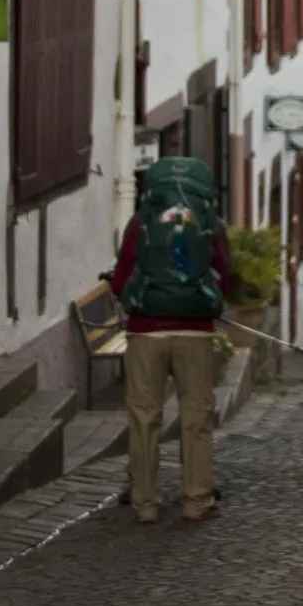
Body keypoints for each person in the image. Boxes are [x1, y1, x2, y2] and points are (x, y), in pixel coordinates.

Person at [107, 157, 233, 524]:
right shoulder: (212, 225)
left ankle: (145, 503)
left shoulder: (140, 223)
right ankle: (197, 500)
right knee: (196, 417)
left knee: (144, 415)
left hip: (146, 331)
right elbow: (226, 276)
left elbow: (120, 282)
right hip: (195, 331)